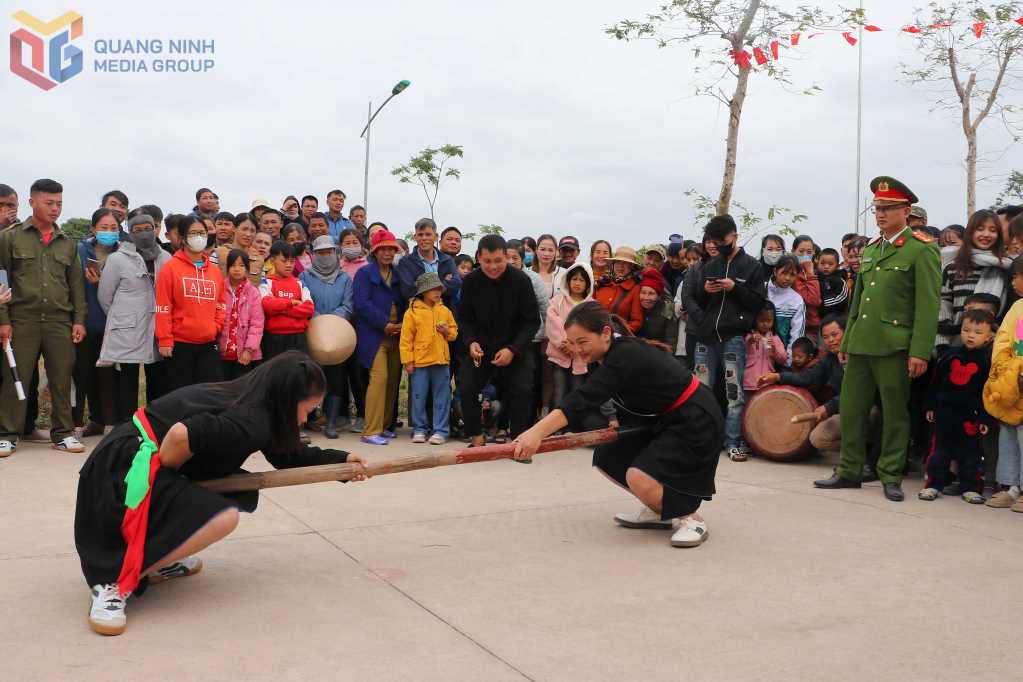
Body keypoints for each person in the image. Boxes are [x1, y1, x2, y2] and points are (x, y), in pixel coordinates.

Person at [74, 351, 369, 635]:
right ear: (288, 400)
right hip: (119, 471)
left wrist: (341, 461)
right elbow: (180, 434)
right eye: (307, 409)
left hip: (131, 454)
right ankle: (113, 579)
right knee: (222, 517)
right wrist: (167, 477)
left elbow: (288, 457)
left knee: (237, 490)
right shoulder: (250, 420)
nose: (306, 419)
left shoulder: (258, 406)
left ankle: (156, 557)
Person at [513, 301, 723, 548]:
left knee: (638, 476)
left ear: (605, 333)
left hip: (695, 419)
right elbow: (591, 401)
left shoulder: (624, 355)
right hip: (662, 419)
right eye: (573, 343)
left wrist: (536, 432)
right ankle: (659, 510)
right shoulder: (602, 357)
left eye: (583, 342)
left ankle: (690, 518)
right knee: (608, 456)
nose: (578, 350)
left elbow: (582, 400)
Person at [815, 176, 941, 502]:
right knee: (853, 408)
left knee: (894, 413)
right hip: (861, 344)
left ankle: (890, 474)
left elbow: (928, 307)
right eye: (877, 209)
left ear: (906, 210)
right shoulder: (871, 249)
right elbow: (858, 301)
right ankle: (849, 470)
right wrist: (846, 341)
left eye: (887, 208)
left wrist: (920, 352)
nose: (881, 214)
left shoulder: (921, 249)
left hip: (895, 346)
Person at [0, 179, 87, 456]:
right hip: (21, 319)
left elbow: (76, 286)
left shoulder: (68, 243)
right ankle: (7, 434)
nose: (55, 209)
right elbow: (1, 281)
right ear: (32, 202)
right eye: (49, 203)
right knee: (16, 377)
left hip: (59, 321)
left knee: (61, 378)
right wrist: (3, 319)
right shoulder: (10, 237)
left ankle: (63, 433)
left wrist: (79, 320)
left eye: (59, 203)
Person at [681, 214, 766, 461]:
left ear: (735, 237)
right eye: (714, 241)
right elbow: (694, 299)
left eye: (722, 240)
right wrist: (705, 291)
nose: (718, 245)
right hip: (706, 338)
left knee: (733, 393)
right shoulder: (708, 265)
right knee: (700, 391)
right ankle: (700, 440)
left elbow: (757, 302)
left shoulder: (752, 266)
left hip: (733, 338)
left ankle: (732, 442)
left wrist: (734, 287)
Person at [458, 234, 540, 447]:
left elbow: (532, 321)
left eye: (498, 261)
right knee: (466, 386)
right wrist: (471, 342)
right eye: (487, 261)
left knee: (522, 389)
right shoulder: (470, 282)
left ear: (506, 257)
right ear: (479, 258)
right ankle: (476, 439)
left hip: (515, 346)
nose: (493, 267)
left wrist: (513, 349)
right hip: (482, 348)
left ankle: (520, 442)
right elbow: (465, 319)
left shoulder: (521, 281)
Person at [93, 213, 171, 424]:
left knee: (158, 380)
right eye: (137, 230)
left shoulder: (166, 258)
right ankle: (126, 427)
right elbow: (105, 296)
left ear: (155, 229)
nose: (144, 233)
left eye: (148, 228)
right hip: (127, 329)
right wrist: (123, 318)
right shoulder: (117, 259)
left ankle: (155, 426)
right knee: (126, 382)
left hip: (158, 328)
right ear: (129, 232)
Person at [918, 309, 995, 503]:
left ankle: (970, 487)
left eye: (978, 333)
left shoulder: (987, 362)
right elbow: (936, 382)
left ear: (989, 337)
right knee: (939, 452)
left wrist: (985, 418)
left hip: (970, 416)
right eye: (966, 330)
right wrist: (931, 406)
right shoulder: (950, 355)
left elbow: (987, 392)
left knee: (971, 454)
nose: (970, 335)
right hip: (945, 413)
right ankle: (934, 485)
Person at [759, 316, 849, 457]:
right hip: (845, 411)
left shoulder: (860, 356)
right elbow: (809, 377)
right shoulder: (830, 359)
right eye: (825, 337)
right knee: (817, 439)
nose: (830, 340)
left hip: (867, 409)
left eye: (834, 335)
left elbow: (856, 393)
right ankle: (859, 452)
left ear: (847, 332)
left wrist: (829, 407)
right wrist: (778, 376)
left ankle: (866, 454)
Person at [155, 215, 226, 392]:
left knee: (209, 393)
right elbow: (163, 306)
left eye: (202, 232)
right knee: (181, 393)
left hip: (208, 343)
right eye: (193, 233)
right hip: (180, 344)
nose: (198, 237)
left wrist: (216, 326)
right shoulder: (170, 268)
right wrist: (164, 339)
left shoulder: (215, 272)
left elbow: (221, 302)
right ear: (183, 238)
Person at [353, 230, 405, 445]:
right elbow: (361, 304)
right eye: (382, 248)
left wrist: (402, 325)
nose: (387, 252)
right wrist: (385, 324)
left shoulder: (398, 274)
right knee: (379, 378)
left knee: (393, 380)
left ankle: (383, 427)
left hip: (397, 334)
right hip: (374, 335)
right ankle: (370, 430)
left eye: (391, 249)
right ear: (374, 252)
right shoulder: (364, 273)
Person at [300, 236, 354, 438]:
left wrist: (331, 321)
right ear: (313, 255)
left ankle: (331, 422)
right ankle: (308, 418)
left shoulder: (344, 278)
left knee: (336, 377)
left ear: (336, 253)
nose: (325, 256)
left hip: (338, 334)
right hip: (312, 332)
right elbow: (304, 301)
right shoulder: (305, 277)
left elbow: (348, 305)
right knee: (310, 378)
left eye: (329, 252)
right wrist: (318, 320)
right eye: (321, 252)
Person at [75, 208, 122, 438]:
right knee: (83, 374)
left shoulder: (123, 253)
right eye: (104, 228)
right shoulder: (80, 250)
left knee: (108, 377)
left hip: (112, 326)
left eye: (113, 228)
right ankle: (87, 422)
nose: (109, 232)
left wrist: (103, 283)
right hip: (84, 322)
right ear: (93, 229)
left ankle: (110, 423)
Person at [935, 209, 1010, 350]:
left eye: (992, 230)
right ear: (970, 233)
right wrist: (941, 347)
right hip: (955, 348)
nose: (986, 234)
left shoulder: (1005, 269)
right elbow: (943, 308)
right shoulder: (953, 268)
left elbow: (1014, 313)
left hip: (995, 349)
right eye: (980, 229)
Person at [400, 272, 459, 445]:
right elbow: (405, 339)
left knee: (442, 397)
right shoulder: (411, 312)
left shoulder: (445, 311)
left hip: (441, 362)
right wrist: (408, 361)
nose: (437, 292)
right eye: (433, 289)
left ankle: (440, 430)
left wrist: (447, 332)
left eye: (439, 288)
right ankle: (420, 429)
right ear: (423, 292)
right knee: (418, 396)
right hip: (420, 362)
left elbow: (454, 333)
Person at [546, 263, 595, 408]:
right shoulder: (557, 301)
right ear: (568, 280)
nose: (577, 283)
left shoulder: (591, 305)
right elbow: (552, 324)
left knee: (576, 391)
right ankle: (556, 428)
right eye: (574, 279)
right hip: (560, 355)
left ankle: (573, 427)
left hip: (580, 357)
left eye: (582, 280)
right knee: (559, 392)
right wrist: (564, 343)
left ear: (588, 283)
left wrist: (576, 346)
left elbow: (590, 330)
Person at [259, 241, 313, 359]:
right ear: (273, 260)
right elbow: (267, 305)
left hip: (298, 337)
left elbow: (309, 308)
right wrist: (291, 303)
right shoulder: (266, 282)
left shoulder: (300, 283)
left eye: (292, 261)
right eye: (284, 261)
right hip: (274, 338)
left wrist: (279, 308)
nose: (289, 265)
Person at [218, 250, 264, 381]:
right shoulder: (220, 288)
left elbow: (257, 324)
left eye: (241, 265)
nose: (237, 269)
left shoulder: (253, 292)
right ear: (227, 268)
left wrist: (249, 350)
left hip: (244, 355)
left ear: (247, 269)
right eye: (233, 265)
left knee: (241, 391)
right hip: (221, 354)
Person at [396, 218, 462, 309]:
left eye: (428, 234)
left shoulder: (447, 260)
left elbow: (456, 283)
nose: (424, 238)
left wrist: (420, 285)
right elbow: (408, 291)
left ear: (435, 236)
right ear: (415, 237)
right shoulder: (406, 262)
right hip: (417, 316)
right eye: (420, 235)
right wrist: (443, 284)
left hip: (445, 316)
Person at [742, 301, 788, 416]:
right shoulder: (748, 336)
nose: (765, 324)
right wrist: (750, 340)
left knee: (766, 411)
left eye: (769, 321)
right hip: (749, 383)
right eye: (761, 321)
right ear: (755, 320)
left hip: (768, 382)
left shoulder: (776, 338)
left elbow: (783, 359)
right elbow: (741, 353)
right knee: (748, 412)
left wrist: (774, 348)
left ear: (773, 321)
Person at [593, 246, 644, 332]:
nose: (621, 266)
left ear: (631, 267)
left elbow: (636, 321)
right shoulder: (602, 283)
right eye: (618, 262)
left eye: (625, 263)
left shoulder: (635, 289)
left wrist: (619, 333)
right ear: (613, 264)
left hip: (618, 339)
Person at [635, 267, 677, 347]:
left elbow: (671, 343)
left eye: (651, 294)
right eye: (643, 293)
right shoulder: (635, 307)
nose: (646, 297)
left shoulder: (667, 311)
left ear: (659, 296)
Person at [817, 248, 849, 318]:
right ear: (817, 263)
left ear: (837, 266)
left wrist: (822, 303)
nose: (826, 266)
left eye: (830, 264)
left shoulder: (839, 280)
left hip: (835, 317)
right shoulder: (815, 278)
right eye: (822, 263)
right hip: (816, 318)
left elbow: (842, 296)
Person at [531, 233, 563, 299]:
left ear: (556, 252)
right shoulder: (526, 273)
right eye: (542, 249)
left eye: (550, 250)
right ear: (536, 250)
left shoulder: (564, 274)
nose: (546, 254)